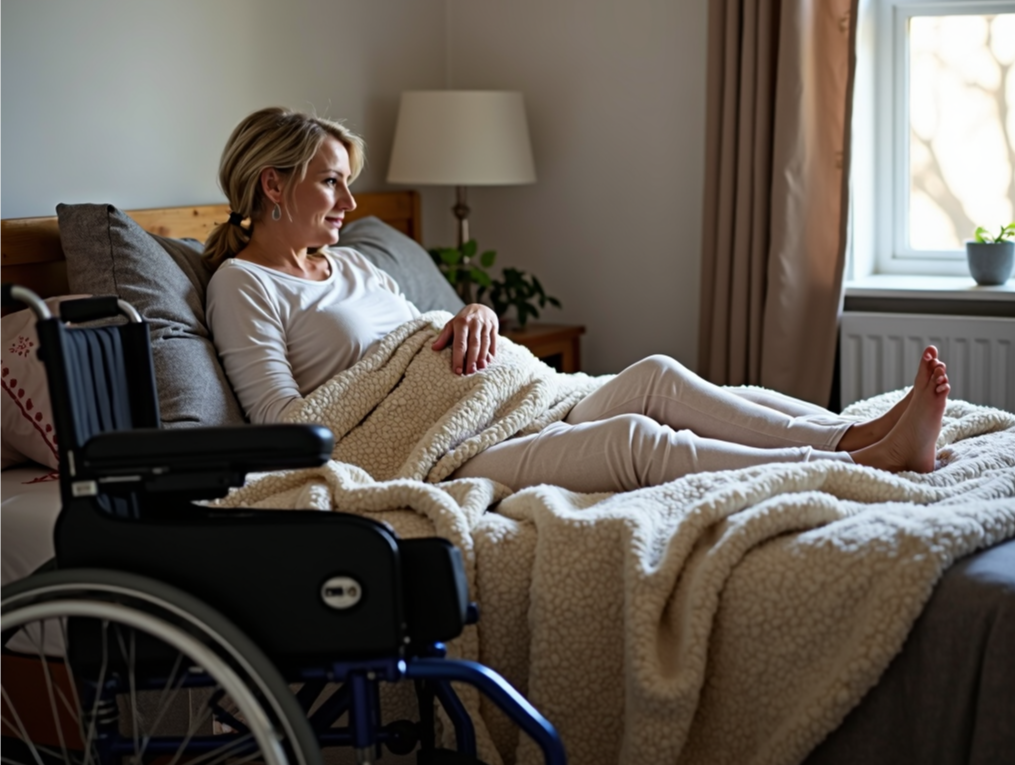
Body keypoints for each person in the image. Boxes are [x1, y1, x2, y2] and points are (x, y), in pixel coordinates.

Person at [204, 108, 950, 494]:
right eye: (331, 181)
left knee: (654, 374)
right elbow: (282, 430)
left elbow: (425, 331)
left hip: (505, 394)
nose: (350, 199)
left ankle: (855, 435)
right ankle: (855, 467)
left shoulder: (353, 264)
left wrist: (476, 314)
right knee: (634, 441)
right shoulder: (244, 286)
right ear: (274, 184)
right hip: (445, 448)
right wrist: (410, 375)